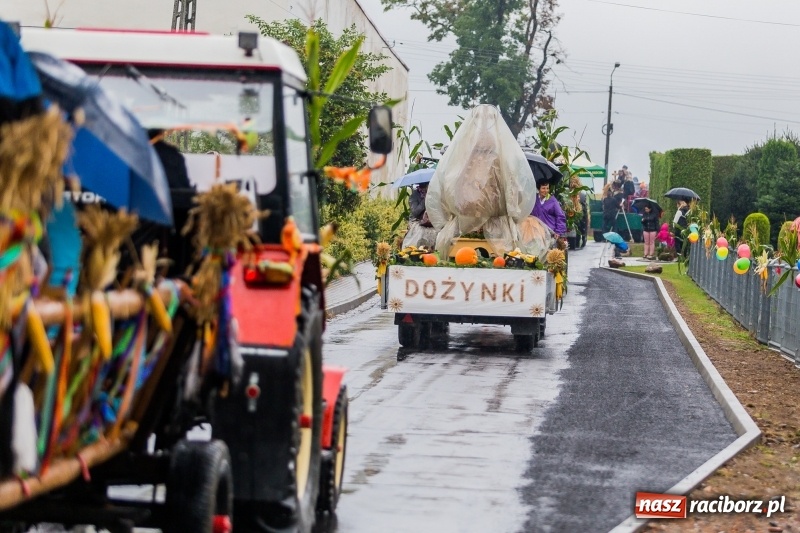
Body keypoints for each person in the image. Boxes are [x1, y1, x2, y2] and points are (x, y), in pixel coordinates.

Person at [402, 182, 437, 248]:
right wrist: (425, 200)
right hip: (417, 221)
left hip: (430, 221)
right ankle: (419, 250)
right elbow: (415, 212)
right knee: (422, 232)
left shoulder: (432, 194)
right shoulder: (414, 196)